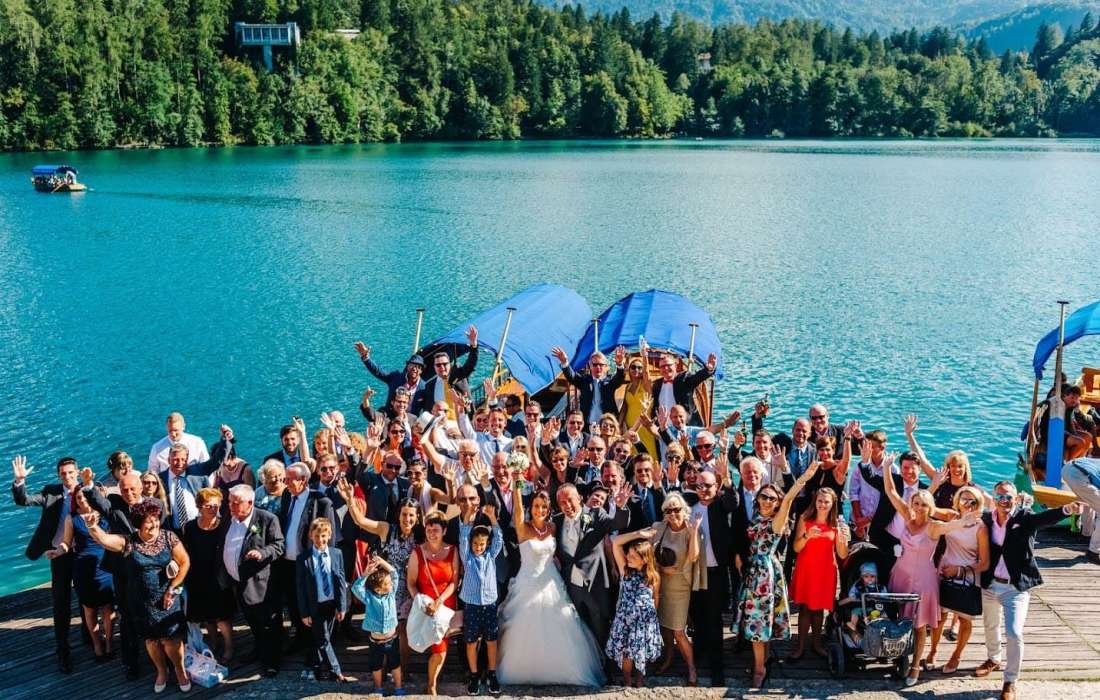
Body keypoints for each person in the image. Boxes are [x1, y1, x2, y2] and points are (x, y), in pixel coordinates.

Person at [975, 481, 1085, 700]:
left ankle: (1010, 680)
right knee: (990, 625)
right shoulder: (987, 519)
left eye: (1008, 497)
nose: (1004, 501)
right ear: (994, 499)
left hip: (1015, 587)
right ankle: (994, 658)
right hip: (990, 583)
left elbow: (1044, 519)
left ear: (1016, 499)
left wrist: (1067, 509)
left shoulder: (1025, 518)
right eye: (1000, 497)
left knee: (1014, 632)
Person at [879, 456, 979, 687]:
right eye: (916, 503)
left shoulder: (934, 526)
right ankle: (897, 651)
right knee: (898, 616)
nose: (919, 508)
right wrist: (886, 468)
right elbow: (891, 492)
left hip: (923, 580)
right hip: (901, 574)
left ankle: (915, 666)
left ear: (930, 507)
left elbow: (953, 525)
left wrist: (967, 517)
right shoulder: (907, 516)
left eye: (924, 504)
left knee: (919, 625)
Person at [496, 484, 605, 686]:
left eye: (544, 507)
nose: (540, 510)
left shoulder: (553, 527)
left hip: (551, 581)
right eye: (536, 506)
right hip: (528, 581)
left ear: (548, 509)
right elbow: (518, 507)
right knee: (525, 626)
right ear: (531, 508)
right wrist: (517, 481)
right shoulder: (523, 527)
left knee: (562, 622)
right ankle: (525, 670)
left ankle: (562, 670)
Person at [82, 499, 191, 693]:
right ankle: (161, 672)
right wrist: (92, 526)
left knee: (171, 640)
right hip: (141, 602)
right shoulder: (129, 542)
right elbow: (104, 539)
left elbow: (185, 562)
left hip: (168, 599)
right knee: (152, 640)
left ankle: (179, 670)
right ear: (139, 524)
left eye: (156, 520)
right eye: (149, 521)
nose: (154, 524)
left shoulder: (168, 537)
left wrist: (173, 589)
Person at [732, 463, 817, 689]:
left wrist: (803, 479)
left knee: (757, 622)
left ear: (778, 503)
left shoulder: (777, 521)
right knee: (762, 619)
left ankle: (759, 669)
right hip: (753, 571)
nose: (767, 501)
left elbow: (788, 499)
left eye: (772, 498)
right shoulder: (756, 516)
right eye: (764, 496)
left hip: (765, 575)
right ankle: (765, 659)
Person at [338, 477, 423, 672]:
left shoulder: (421, 536)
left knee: (403, 632)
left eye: (411, 515)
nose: (407, 519)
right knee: (383, 632)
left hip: (408, 590)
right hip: (386, 589)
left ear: (417, 517)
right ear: (398, 515)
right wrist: (350, 500)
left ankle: (402, 671)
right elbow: (360, 521)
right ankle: (382, 670)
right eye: (404, 514)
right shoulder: (387, 529)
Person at [11, 455, 81, 673]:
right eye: (63, 474)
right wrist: (20, 481)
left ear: (77, 473)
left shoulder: (86, 491)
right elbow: (24, 500)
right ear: (59, 476)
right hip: (58, 554)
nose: (67, 477)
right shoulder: (51, 492)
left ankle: (90, 637)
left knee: (87, 598)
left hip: (83, 553)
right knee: (61, 602)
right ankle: (63, 650)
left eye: (71, 473)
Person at [554, 482, 631, 658]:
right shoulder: (556, 521)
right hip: (570, 583)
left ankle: (605, 662)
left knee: (599, 622)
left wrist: (620, 507)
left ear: (580, 498)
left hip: (595, 581)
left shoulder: (596, 514)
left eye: (570, 500)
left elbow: (617, 523)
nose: (567, 505)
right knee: (577, 624)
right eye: (562, 503)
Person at [221, 484, 286, 677]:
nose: (231, 506)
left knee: (268, 624)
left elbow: (279, 545)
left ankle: (272, 661)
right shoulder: (230, 518)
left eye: (236, 503)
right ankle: (259, 649)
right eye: (229, 502)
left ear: (250, 503)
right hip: (238, 582)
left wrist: (262, 553)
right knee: (252, 621)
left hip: (259, 584)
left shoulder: (267, 519)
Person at [924, 485, 989, 675]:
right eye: (964, 499)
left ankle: (956, 655)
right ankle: (933, 650)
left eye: (972, 501)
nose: (967, 504)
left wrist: (959, 571)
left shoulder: (980, 528)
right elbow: (928, 508)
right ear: (957, 501)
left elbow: (984, 563)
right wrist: (933, 484)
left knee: (964, 619)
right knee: (940, 616)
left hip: (968, 575)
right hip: (945, 572)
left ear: (978, 504)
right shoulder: (952, 517)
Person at [49, 484, 116, 662]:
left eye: (85, 496)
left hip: (106, 566)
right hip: (84, 568)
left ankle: (109, 644)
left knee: (108, 608)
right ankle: (97, 645)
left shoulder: (105, 514)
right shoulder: (72, 518)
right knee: (89, 609)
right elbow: (66, 543)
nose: (82, 500)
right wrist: (58, 551)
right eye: (78, 497)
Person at [278, 463, 336, 651]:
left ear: (303, 480)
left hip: (310, 563)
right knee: (294, 603)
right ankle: (300, 639)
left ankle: (316, 646)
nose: (285, 483)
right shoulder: (287, 495)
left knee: (311, 604)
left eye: (289, 479)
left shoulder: (321, 501)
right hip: (288, 562)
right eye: (285, 479)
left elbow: (329, 537)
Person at [788, 487, 850, 660]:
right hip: (807, 569)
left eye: (826, 501)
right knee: (805, 608)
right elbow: (796, 548)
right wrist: (806, 536)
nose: (822, 504)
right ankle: (800, 647)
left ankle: (816, 644)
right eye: (820, 500)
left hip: (825, 571)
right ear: (815, 501)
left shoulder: (837, 525)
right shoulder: (805, 519)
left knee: (819, 609)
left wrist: (843, 540)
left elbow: (843, 554)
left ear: (832, 504)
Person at [647, 492, 701, 684]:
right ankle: (668, 658)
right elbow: (648, 556)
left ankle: (692, 667)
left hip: (680, 586)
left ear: (684, 510)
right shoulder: (658, 527)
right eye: (668, 511)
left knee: (678, 630)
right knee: (665, 628)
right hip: (660, 584)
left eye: (676, 509)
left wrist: (694, 532)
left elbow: (694, 557)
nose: (672, 514)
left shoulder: (690, 529)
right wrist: (661, 569)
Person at [406, 511, 459, 696]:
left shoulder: (452, 550)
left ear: (444, 531)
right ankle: (432, 684)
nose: (431, 534)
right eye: (428, 530)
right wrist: (420, 603)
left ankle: (432, 683)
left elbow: (454, 582)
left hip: (445, 606)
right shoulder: (417, 552)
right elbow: (411, 583)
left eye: (435, 530)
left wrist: (439, 601)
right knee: (437, 647)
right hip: (426, 608)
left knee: (441, 647)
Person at [181, 487, 235, 662]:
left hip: (219, 577)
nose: (213, 509)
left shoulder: (225, 526)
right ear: (199, 506)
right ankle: (213, 641)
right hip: (197, 576)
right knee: (206, 616)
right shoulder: (189, 527)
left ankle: (229, 646)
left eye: (216, 506)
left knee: (222, 617)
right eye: (208, 506)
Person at [606, 529, 663, 687]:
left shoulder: (653, 576)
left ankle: (639, 681)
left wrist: (653, 620)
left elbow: (656, 597)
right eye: (628, 554)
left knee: (640, 652)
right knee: (626, 653)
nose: (628, 557)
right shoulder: (625, 569)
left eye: (633, 556)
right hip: (625, 620)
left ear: (644, 560)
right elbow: (616, 542)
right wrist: (638, 534)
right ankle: (627, 681)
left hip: (644, 622)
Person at [296, 517, 350, 682]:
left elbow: (341, 581)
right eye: (317, 536)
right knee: (323, 639)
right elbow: (301, 588)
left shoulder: (336, 554)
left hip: (331, 604)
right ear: (311, 536)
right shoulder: (304, 558)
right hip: (315, 605)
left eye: (324, 536)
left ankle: (315, 666)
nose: (320, 540)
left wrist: (342, 606)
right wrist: (304, 613)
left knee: (324, 638)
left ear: (330, 535)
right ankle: (336, 671)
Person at [458, 516, 504, 696]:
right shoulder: (467, 557)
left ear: (487, 544)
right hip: (472, 606)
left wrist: (492, 519)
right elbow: (463, 539)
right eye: (475, 544)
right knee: (471, 642)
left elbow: (498, 538)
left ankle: (492, 674)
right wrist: (468, 520)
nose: (478, 547)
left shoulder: (491, 556)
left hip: (490, 604)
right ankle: (474, 675)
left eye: (482, 544)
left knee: (491, 641)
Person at [352, 559, 405, 695]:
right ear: (377, 589)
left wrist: (381, 562)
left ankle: (398, 688)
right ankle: (378, 688)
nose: (391, 584)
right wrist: (366, 573)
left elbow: (394, 574)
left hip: (392, 640)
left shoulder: (391, 594)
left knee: (395, 664)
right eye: (387, 583)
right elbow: (356, 588)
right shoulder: (369, 598)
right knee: (376, 666)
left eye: (390, 582)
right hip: (375, 642)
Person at [552, 345, 628, 429]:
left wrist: (619, 364)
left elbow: (619, 378)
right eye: (595, 365)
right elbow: (571, 377)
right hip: (587, 427)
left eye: (601, 364)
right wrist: (564, 362)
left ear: (605, 366)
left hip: (607, 427)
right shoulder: (584, 381)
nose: (598, 367)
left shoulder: (610, 382)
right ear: (590, 366)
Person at [413, 325, 479, 417]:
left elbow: (471, 364)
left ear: (449, 364)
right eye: (438, 365)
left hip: (462, 421)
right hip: (441, 424)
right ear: (434, 367)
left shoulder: (459, 376)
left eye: (445, 364)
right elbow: (427, 409)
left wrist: (474, 345)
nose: (442, 367)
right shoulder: (429, 386)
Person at [650, 352, 717, 426]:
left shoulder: (684, 378)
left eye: (669, 365)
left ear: (675, 365)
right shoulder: (657, 384)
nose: (666, 368)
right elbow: (655, 406)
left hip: (686, 426)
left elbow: (698, 377)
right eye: (662, 366)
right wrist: (654, 423)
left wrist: (708, 369)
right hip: (664, 428)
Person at [356, 342, 426, 410]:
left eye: (418, 367)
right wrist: (366, 358)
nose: (414, 368)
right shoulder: (396, 377)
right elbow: (378, 372)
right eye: (412, 365)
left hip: (410, 417)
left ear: (421, 371)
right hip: (390, 415)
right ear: (407, 367)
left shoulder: (424, 387)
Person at [158, 444, 210, 534]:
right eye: (176, 459)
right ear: (168, 460)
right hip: (174, 532)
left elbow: (215, 461)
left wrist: (227, 440)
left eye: (183, 460)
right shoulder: (160, 479)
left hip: (199, 527)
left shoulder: (197, 475)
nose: (180, 463)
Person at [619, 343, 658, 457]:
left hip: (644, 426)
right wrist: (619, 425)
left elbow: (646, 373)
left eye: (639, 368)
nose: (636, 369)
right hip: (631, 426)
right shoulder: (628, 386)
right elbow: (624, 407)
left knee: (648, 454)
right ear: (629, 369)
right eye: (633, 367)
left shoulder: (645, 385)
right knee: (633, 455)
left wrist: (644, 355)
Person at [1060, 457, 1100, 565]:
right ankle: (1093, 552)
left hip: (1068, 468)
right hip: (1079, 475)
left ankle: (1086, 535)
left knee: (1089, 501)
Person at [839, 562, 890, 643]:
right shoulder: (858, 586)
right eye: (866, 576)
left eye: (872, 576)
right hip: (861, 606)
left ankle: (888, 626)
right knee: (855, 612)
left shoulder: (880, 587)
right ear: (862, 577)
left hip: (875, 607)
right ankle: (853, 624)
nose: (869, 579)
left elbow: (885, 596)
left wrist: (880, 597)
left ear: (876, 577)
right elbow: (851, 595)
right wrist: (856, 597)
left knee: (883, 613)